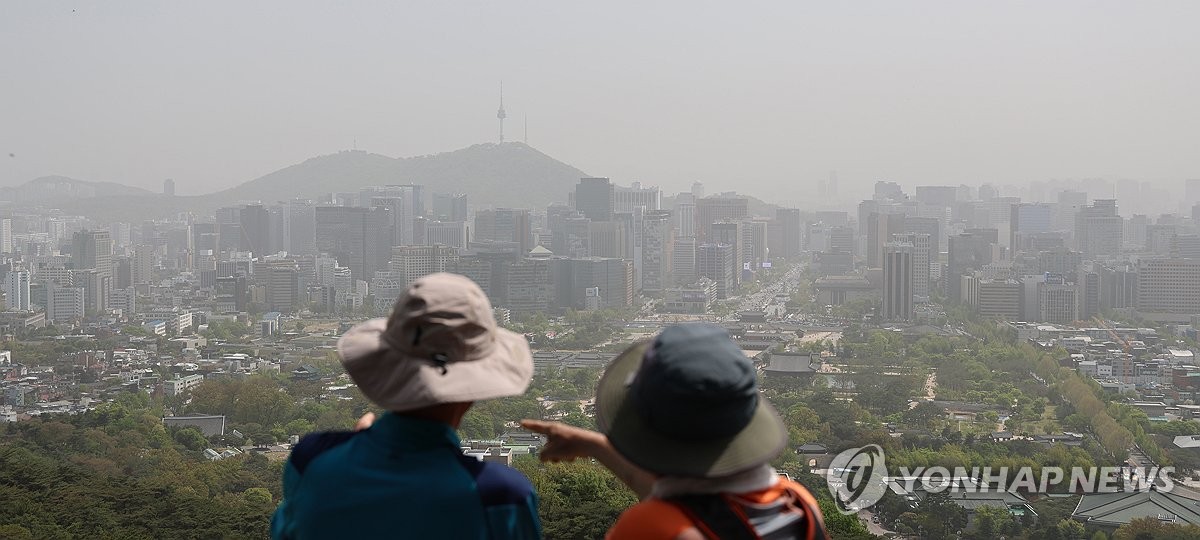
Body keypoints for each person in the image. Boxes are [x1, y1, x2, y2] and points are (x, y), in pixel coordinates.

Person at [271, 273, 542, 540]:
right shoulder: (500, 497)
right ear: (474, 387)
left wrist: (352, 448)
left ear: (390, 368)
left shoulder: (310, 460)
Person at [523, 323, 827, 540]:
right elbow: (694, 505)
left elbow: (670, 513)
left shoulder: (649, 528)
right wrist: (596, 447)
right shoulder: (799, 506)